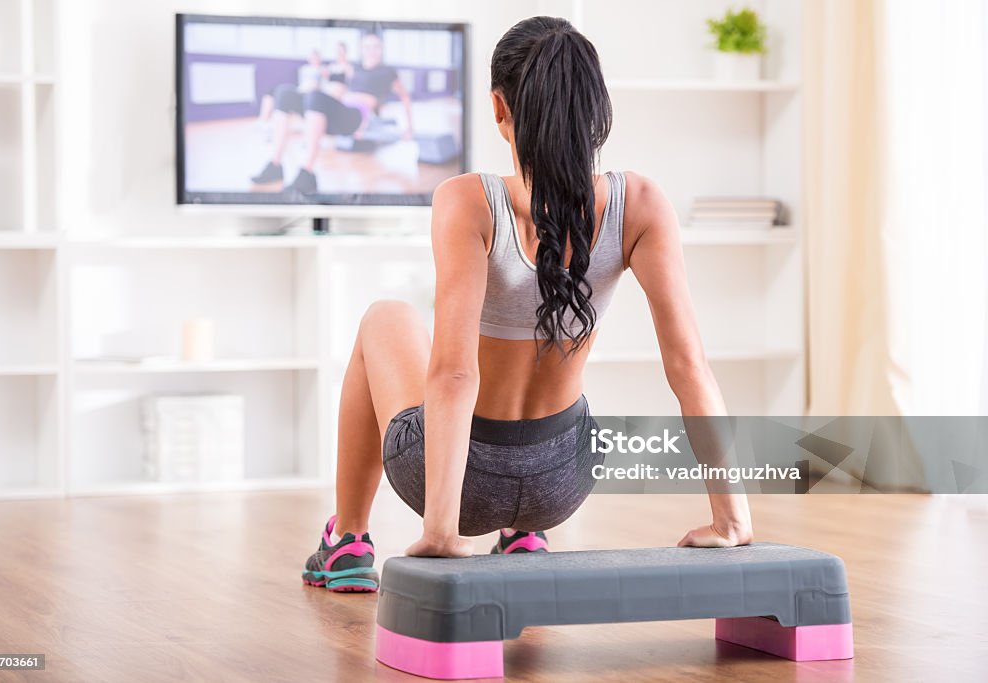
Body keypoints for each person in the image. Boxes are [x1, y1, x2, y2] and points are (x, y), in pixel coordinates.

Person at [301, 16, 754, 593]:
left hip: (457, 487)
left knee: (387, 316)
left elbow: (455, 372)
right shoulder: (640, 202)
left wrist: (442, 529)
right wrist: (733, 520)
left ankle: (349, 540)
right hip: (562, 484)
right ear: (598, 109)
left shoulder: (467, 200)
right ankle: (522, 532)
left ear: (499, 107)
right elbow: (690, 366)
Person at [250, 31, 413, 197]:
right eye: (367, 47)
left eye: (376, 47)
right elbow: (339, 90)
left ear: (382, 49)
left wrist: (409, 128)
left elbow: (405, 98)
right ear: (362, 49)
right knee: (284, 93)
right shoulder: (354, 68)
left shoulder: (387, 72)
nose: (371, 51)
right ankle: (275, 165)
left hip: (356, 116)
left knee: (315, 97)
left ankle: (307, 173)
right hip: (339, 109)